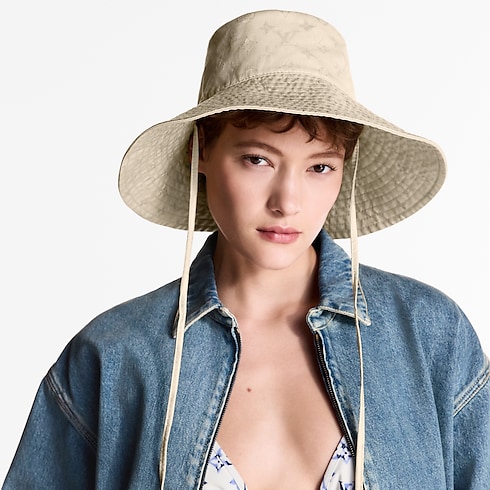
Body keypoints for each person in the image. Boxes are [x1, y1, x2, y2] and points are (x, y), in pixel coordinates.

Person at [3, 9, 489, 490]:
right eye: (258, 159)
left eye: (320, 167)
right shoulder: (115, 356)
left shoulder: (430, 335)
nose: (287, 202)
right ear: (200, 152)